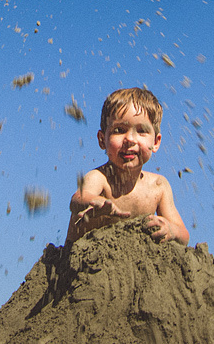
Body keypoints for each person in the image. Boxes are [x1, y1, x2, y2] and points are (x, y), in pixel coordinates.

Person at [66, 87, 189, 246]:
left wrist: (171, 230)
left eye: (142, 131)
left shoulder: (159, 186)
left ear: (156, 142)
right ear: (102, 139)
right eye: (119, 130)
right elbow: (76, 200)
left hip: (130, 264)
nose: (130, 139)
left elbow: (184, 235)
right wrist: (95, 202)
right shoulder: (100, 178)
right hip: (82, 260)